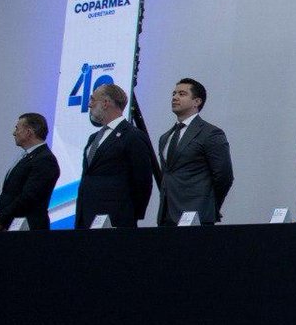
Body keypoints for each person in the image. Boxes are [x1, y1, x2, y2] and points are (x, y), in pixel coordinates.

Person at [74, 84, 154, 228]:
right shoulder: (93, 138)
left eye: (93, 99)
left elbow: (143, 181)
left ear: (105, 103)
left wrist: (130, 214)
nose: (89, 104)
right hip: (85, 218)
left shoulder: (133, 136)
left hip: (116, 220)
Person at [157, 78, 234, 225]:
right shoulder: (165, 137)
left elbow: (224, 176)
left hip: (197, 216)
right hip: (166, 216)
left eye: (182, 94)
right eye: (174, 94)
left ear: (197, 101)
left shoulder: (210, 133)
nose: (175, 97)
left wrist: (209, 205)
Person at [0, 112, 60, 231]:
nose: (14, 133)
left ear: (29, 132)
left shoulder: (45, 159)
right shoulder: (28, 156)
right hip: (12, 227)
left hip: (28, 229)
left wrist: (2, 218)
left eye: (17, 128)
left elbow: (29, 196)